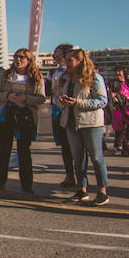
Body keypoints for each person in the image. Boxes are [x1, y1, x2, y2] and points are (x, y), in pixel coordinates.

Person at [56, 48, 110, 206]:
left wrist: (78, 103)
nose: (67, 63)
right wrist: (61, 101)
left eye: (70, 60)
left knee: (96, 158)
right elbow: (57, 98)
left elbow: (102, 100)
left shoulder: (94, 78)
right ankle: (82, 190)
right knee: (78, 159)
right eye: (66, 60)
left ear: (80, 61)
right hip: (71, 122)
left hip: (90, 122)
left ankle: (102, 191)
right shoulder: (65, 78)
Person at [0, 48, 46, 193]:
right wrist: (8, 96)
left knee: (24, 152)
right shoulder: (5, 74)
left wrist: (26, 99)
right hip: (7, 115)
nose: (18, 60)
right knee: (4, 150)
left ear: (29, 60)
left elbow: (41, 98)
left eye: (22, 57)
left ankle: (27, 185)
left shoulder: (36, 77)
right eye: (16, 57)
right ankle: (0, 182)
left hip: (25, 117)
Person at [48, 44, 77, 187]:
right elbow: (47, 90)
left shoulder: (74, 72)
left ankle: (81, 177)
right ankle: (69, 175)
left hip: (71, 110)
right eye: (54, 54)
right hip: (57, 110)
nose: (55, 56)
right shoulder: (52, 72)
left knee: (77, 146)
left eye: (58, 53)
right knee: (65, 146)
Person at [109, 67, 129, 155]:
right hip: (120, 111)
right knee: (122, 129)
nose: (117, 73)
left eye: (119, 71)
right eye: (116, 72)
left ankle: (125, 147)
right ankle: (122, 147)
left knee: (128, 130)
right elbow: (110, 95)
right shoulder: (113, 83)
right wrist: (115, 96)